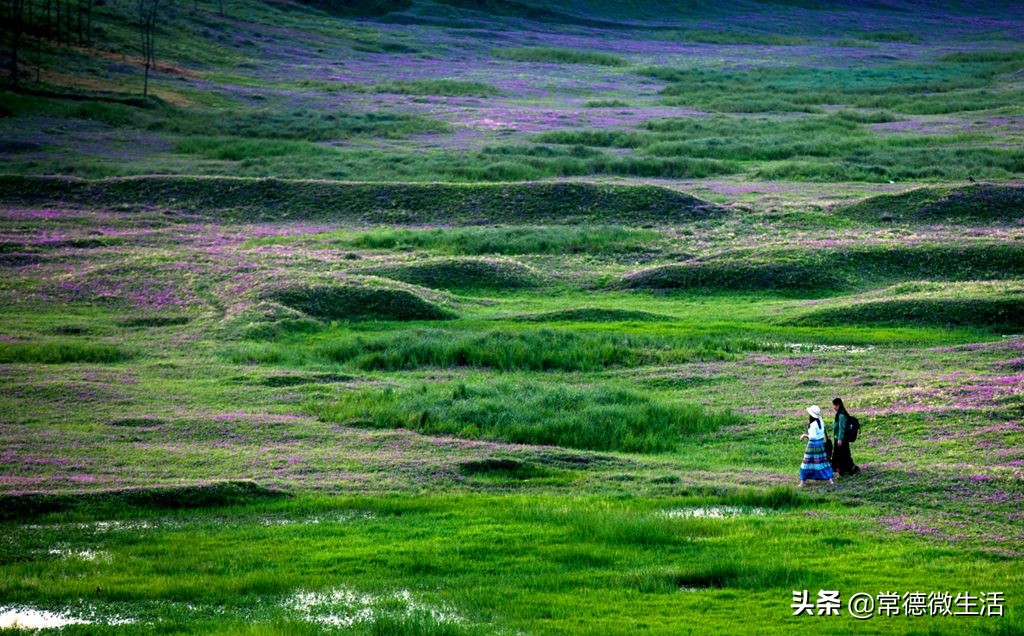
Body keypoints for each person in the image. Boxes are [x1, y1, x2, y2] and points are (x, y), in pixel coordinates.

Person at [799, 405, 834, 487]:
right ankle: (830, 480)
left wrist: (805, 435)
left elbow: (813, 436)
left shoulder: (813, 424)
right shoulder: (821, 421)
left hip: (813, 445)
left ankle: (803, 482)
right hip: (821, 444)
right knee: (823, 462)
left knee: (807, 462)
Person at [831, 397, 860, 476]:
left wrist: (840, 439)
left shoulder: (841, 415)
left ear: (838, 405)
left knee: (842, 456)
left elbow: (842, 428)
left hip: (841, 440)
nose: (833, 407)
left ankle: (850, 468)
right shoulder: (839, 414)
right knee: (842, 456)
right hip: (838, 439)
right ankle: (843, 470)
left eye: (834, 405)